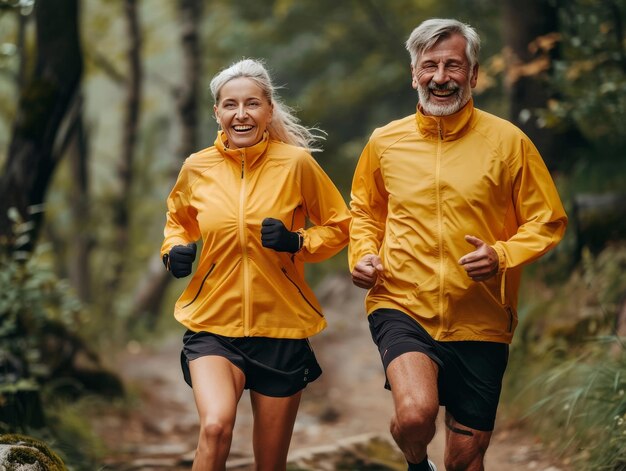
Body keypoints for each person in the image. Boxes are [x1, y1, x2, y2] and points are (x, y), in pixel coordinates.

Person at [349, 18, 567, 471]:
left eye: (453, 65)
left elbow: (546, 220)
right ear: (414, 74)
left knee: (466, 459)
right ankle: (414, 462)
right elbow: (365, 210)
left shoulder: (509, 143)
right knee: (414, 416)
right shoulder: (385, 143)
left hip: (482, 316)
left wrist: (502, 255)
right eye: (430, 66)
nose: (441, 77)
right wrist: (364, 255)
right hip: (401, 300)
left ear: (474, 74)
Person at [161, 58, 350, 471]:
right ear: (217, 112)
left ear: (268, 110)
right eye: (230, 105)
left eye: (251, 104)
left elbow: (340, 226)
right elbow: (178, 222)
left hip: (281, 328)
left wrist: (296, 242)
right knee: (215, 427)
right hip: (213, 323)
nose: (241, 114)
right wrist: (172, 252)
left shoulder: (296, 164)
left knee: (270, 463)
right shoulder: (197, 167)